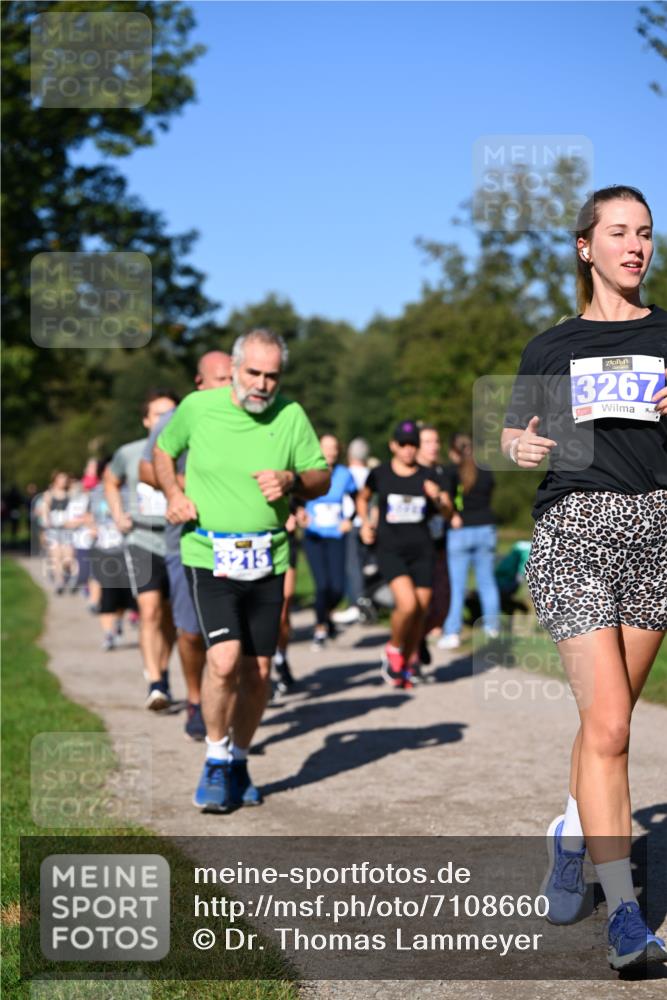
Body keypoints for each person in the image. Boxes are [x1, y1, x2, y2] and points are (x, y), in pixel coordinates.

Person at [502, 185, 667, 972]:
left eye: (644, 233)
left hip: (655, 536)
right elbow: (515, 435)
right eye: (618, 232)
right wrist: (519, 447)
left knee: (609, 719)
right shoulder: (550, 345)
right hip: (574, 532)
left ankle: (570, 835)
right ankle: (626, 915)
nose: (634, 246)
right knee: (609, 730)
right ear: (584, 246)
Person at [154, 328, 330, 813]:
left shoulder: (290, 415)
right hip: (208, 554)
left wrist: (292, 479)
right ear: (233, 369)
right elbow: (163, 451)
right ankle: (214, 758)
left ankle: (239, 759)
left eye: (272, 375)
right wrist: (174, 494)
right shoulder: (198, 408)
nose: (262, 384)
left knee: (258, 671)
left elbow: (321, 476)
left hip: (268, 557)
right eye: (253, 372)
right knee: (225, 660)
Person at [139, 351, 233, 740]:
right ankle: (195, 697)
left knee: (236, 641)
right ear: (200, 383)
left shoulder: (253, 417)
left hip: (243, 541)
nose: (228, 387)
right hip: (188, 539)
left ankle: (229, 711)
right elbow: (147, 468)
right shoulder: (176, 419)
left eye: (233, 379)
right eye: (221, 379)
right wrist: (181, 489)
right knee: (192, 632)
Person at [357, 420, 447, 688]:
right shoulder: (380, 474)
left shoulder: (428, 476)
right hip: (391, 549)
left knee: (421, 611)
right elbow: (362, 498)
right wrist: (365, 523)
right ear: (393, 445)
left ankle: (405, 664)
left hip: (422, 550)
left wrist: (437, 497)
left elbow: (449, 512)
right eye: (403, 444)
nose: (408, 449)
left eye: (413, 445)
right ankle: (394, 649)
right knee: (407, 605)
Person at [105, 389, 180, 709]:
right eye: (158, 414)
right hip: (142, 539)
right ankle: (155, 682)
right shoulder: (130, 452)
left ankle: (162, 670)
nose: (166, 420)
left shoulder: (188, 451)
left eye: (172, 413)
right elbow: (110, 480)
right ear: (146, 420)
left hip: (178, 540)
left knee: (172, 617)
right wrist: (118, 513)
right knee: (149, 610)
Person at [437, 433, 501, 649]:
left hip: (460, 531)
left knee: (457, 586)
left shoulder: (450, 472)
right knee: (487, 583)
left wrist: (452, 515)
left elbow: (445, 500)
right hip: (486, 529)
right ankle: (492, 628)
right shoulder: (486, 470)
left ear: (453, 452)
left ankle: (452, 632)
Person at [297, 434, 358, 650]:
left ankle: (327, 614)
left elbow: (358, 497)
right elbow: (296, 498)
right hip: (314, 535)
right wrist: (300, 512)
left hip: (336, 535)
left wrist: (350, 519)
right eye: (326, 447)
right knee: (322, 585)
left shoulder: (344, 474)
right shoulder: (308, 472)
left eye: (334, 447)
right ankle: (320, 628)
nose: (331, 452)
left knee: (338, 588)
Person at [417, 424, 453, 668]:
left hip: (438, 546)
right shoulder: (410, 472)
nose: (434, 446)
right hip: (414, 549)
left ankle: (418, 638)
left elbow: (449, 511)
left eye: (436, 441)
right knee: (418, 605)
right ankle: (410, 650)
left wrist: (437, 497)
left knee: (441, 607)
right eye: (428, 442)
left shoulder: (442, 473)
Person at [332, 437, 371, 625]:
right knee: (365, 566)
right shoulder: (370, 474)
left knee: (352, 567)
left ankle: (356, 605)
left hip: (352, 524)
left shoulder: (345, 474)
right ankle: (366, 602)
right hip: (369, 525)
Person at [42, 471, 76, 593]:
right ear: (55, 480)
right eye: (61, 478)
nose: (63, 481)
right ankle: (59, 581)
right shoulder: (49, 494)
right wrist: (46, 525)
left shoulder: (70, 494)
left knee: (68, 558)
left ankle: (69, 576)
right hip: (54, 530)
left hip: (67, 529)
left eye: (65, 479)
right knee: (56, 557)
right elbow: (45, 511)